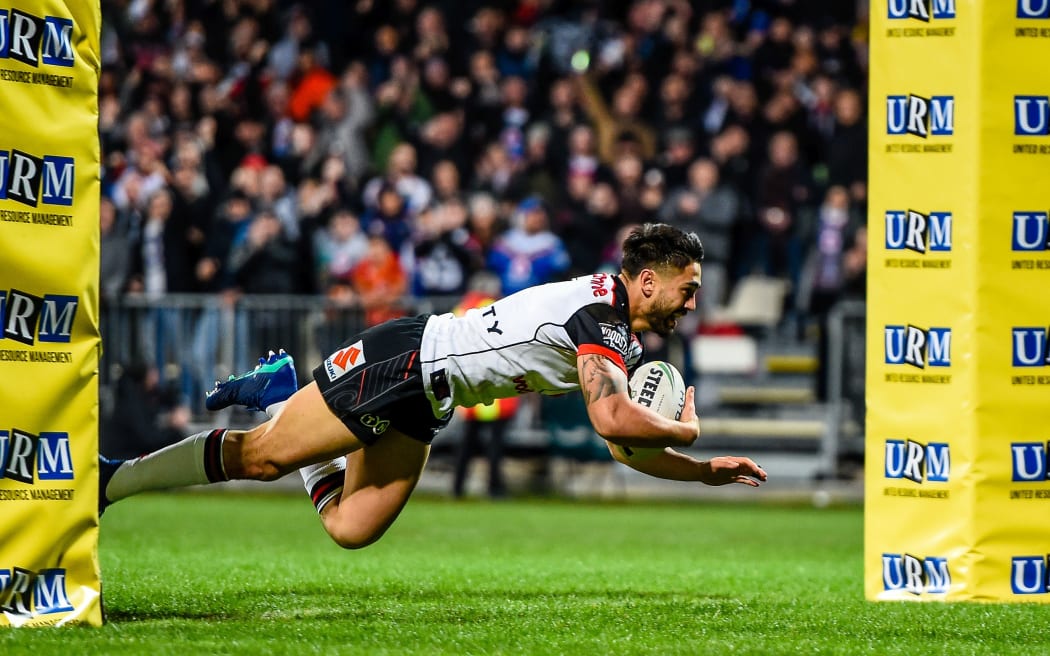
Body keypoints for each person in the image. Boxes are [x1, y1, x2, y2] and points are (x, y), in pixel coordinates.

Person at [100, 224, 767, 550]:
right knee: (261, 459)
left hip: (430, 396)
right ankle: (115, 479)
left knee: (351, 529)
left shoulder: (617, 328)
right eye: (689, 289)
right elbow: (615, 425)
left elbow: (626, 449)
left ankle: (279, 394)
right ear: (649, 281)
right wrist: (685, 429)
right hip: (407, 361)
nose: (692, 304)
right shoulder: (599, 317)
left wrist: (704, 472)